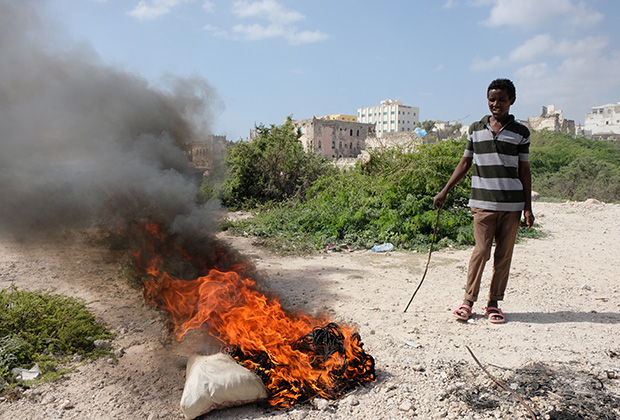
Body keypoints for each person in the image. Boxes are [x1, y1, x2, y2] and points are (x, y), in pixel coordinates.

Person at [433, 78, 534, 324]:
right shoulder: (476, 129)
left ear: (512, 100)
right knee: (481, 252)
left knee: (503, 255)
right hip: (482, 203)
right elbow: (465, 162)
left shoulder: (521, 132)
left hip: (512, 205)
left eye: (501, 99)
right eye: (491, 99)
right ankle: (468, 302)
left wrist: (528, 208)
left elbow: (524, 170)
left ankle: (493, 303)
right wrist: (445, 190)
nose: (495, 104)